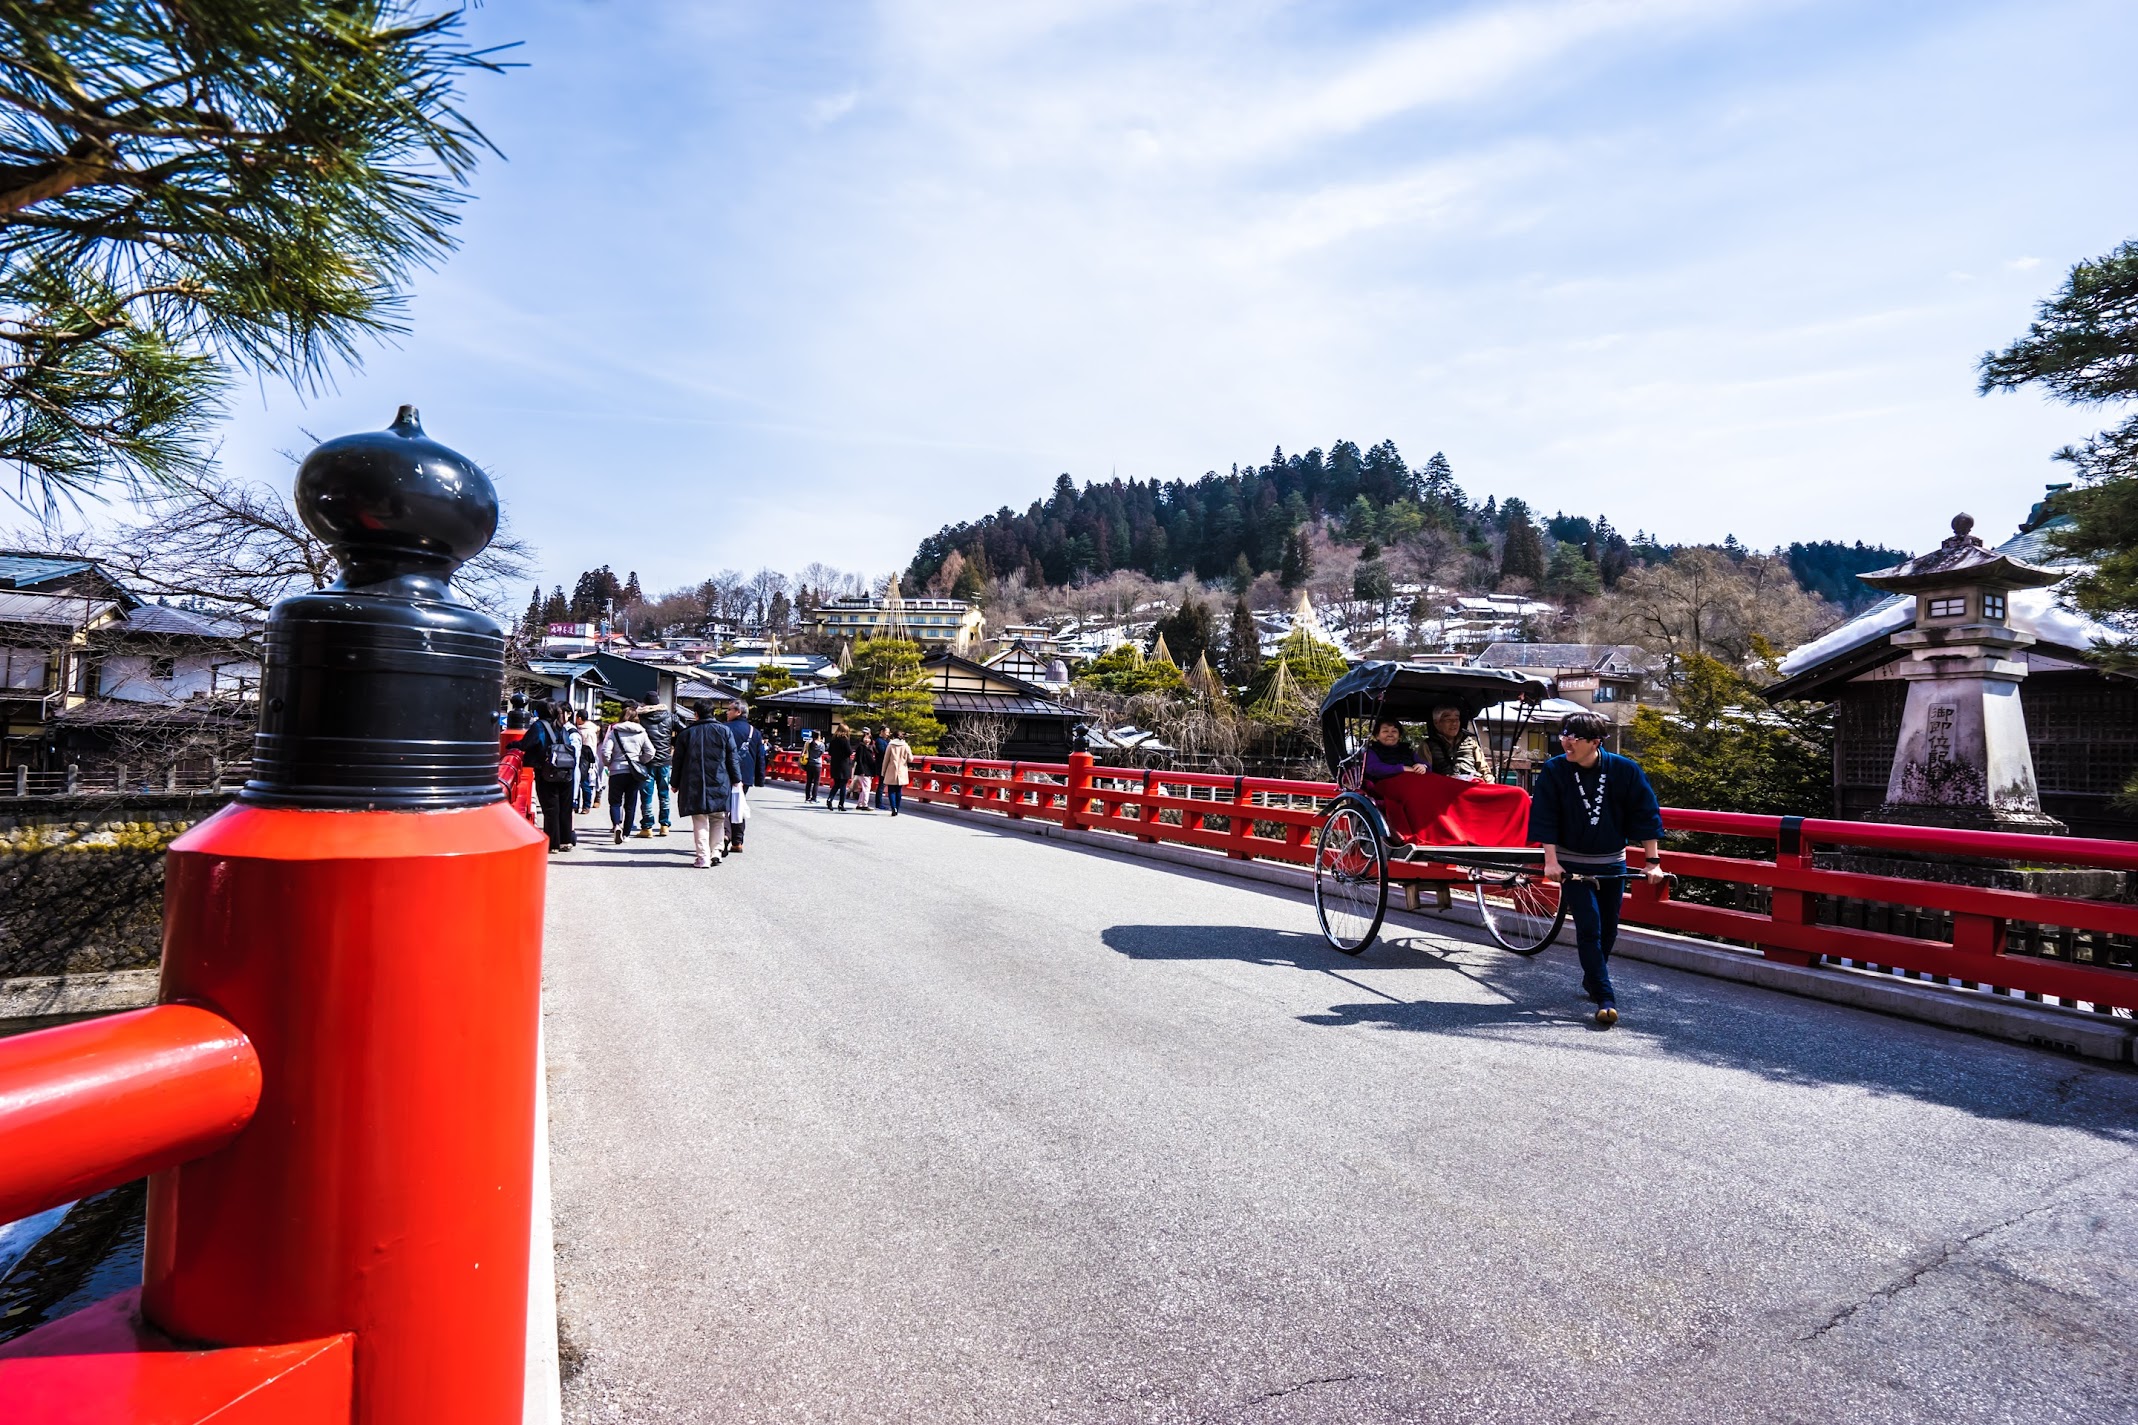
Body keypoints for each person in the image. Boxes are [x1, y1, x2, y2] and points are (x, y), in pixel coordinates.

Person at [1528, 710, 1667, 1029]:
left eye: (1573, 737)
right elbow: (1545, 814)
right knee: (1589, 926)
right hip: (1572, 861)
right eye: (1563, 735)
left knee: (1609, 929)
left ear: (1595, 742)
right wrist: (1550, 860)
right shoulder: (1555, 769)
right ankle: (1606, 997)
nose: (1566, 742)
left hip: (1612, 862)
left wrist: (1652, 861)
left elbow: (1646, 814)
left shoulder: (1624, 770)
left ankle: (1593, 979)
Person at [672, 698, 743, 868]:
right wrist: (736, 779)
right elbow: (733, 758)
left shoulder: (686, 734)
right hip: (719, 780)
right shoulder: (724, 731)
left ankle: (703, 857)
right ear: (713, 713)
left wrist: (674, 783)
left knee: (700, 819)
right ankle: (716, 852)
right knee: (718, 818)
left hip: (693, 782)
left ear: (696, 714)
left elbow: (678, 762)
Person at [522, 700, 579, 853]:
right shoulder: (562, 726)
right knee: (565, 807)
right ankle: (566, 841)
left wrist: (512, 746)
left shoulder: (539, 726)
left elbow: (527, 744)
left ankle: (553, 843)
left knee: (551, 807)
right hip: (566, 770)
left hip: (547, 770)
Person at [601, 707, 655, 845]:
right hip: (634, 773)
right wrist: (639, 761)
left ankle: (617, 826)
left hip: (616, 771)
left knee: (615, 802)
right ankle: (626, 835)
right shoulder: (641, 732)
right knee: (630, 804)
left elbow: (605, 751)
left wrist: (609, 763)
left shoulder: (615, 731)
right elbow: (650, 752)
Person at [723, 701, 766, 851]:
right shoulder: (754, 732)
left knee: (724, 806)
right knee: (738, 805)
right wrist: (760, 778)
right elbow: (761, 756)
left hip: (725, 772)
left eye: (729, 710)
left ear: (738, 712)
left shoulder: (724, 728)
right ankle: (737, 842)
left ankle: (725, 834)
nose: (726, 713)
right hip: (745, 775)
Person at [636, 699, 677, 838]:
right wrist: (672, 743)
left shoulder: (640, 717)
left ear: (645, 703)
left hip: (646, 761)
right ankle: (664, 825)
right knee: (664, 794)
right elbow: (684, 729)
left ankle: (647, 827)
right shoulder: (670, 716)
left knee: (646, 795)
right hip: (665, 761)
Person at [1422, 705, 1485, 779]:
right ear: (1436, 723)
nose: (1454, 723)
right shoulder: (1427, 745)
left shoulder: (1470, 742)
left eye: (1457, 719)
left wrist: (1489, 781)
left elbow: (1484, 769)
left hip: (1472, 783)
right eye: (1448, 720)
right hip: (1444, 785)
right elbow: (1424, 771)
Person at [880, 727, 913, 815]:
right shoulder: (905, 746)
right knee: (898, 790)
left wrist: (883, 772)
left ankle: (893, 807)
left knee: (891, 790)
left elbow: (886, 760)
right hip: (902, 770)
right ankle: (897, 808)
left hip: (891, 770)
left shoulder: (890, 745)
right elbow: (910, 759)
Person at [573, 712, 600, 813]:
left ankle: (584, 806)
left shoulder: (585, 731)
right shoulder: (591, 728)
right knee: (582, 782)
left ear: (579, 718)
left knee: (583, 782)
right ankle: (582, 805)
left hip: (585, 758)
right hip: (588, 758)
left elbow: (588, 747)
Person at [850, 726, 879, 811]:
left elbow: (877, 754)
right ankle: (865, 804)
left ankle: (860, 803)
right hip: (863, 770)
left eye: (869, 738)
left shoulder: (871, 748)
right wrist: (862, 770)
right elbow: (859, 760)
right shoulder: (861, 747)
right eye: (865, 738)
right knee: (867, 787)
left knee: (864, 787)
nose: (867, 740)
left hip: (868, 770)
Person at [827, 724, 853, 811]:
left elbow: (830, 752)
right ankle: (841, 804)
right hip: (844, 765)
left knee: (836, 784)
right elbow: (849, 752)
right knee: (843, 785)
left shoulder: (833, 740)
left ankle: (830, 799)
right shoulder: (845, 740)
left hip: (835, 764)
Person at [870, 726, 891, 809]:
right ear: (882, 731)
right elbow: (883, 752)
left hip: (883, 765)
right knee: (881, 785)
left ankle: (879, 803)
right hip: (881, 765)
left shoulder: (885, 741)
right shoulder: (879, 741)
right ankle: (879, 803)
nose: (888, 734)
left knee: (882, 784)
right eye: (887, 732)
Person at [801, 731, 824, 802]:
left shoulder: (808, 743)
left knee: (809, 782)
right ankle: (814, 798)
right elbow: (822, 753)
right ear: (819, 736)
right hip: (817, 764)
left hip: (809, 764)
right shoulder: (821, 745)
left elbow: (804, 752)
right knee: (816, 782)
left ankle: (807, 797)